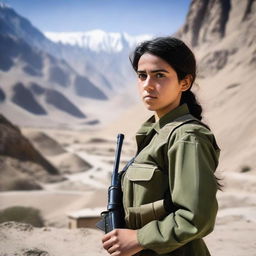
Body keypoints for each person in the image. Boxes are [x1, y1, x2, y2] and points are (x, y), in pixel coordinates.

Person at [102, 36, 220, 256]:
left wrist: (138, 238)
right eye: (142, 75)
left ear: (184, 83)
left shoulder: (187, 136)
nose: (148, 84)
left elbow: (196, 217)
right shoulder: (154, 134)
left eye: (159, 75)